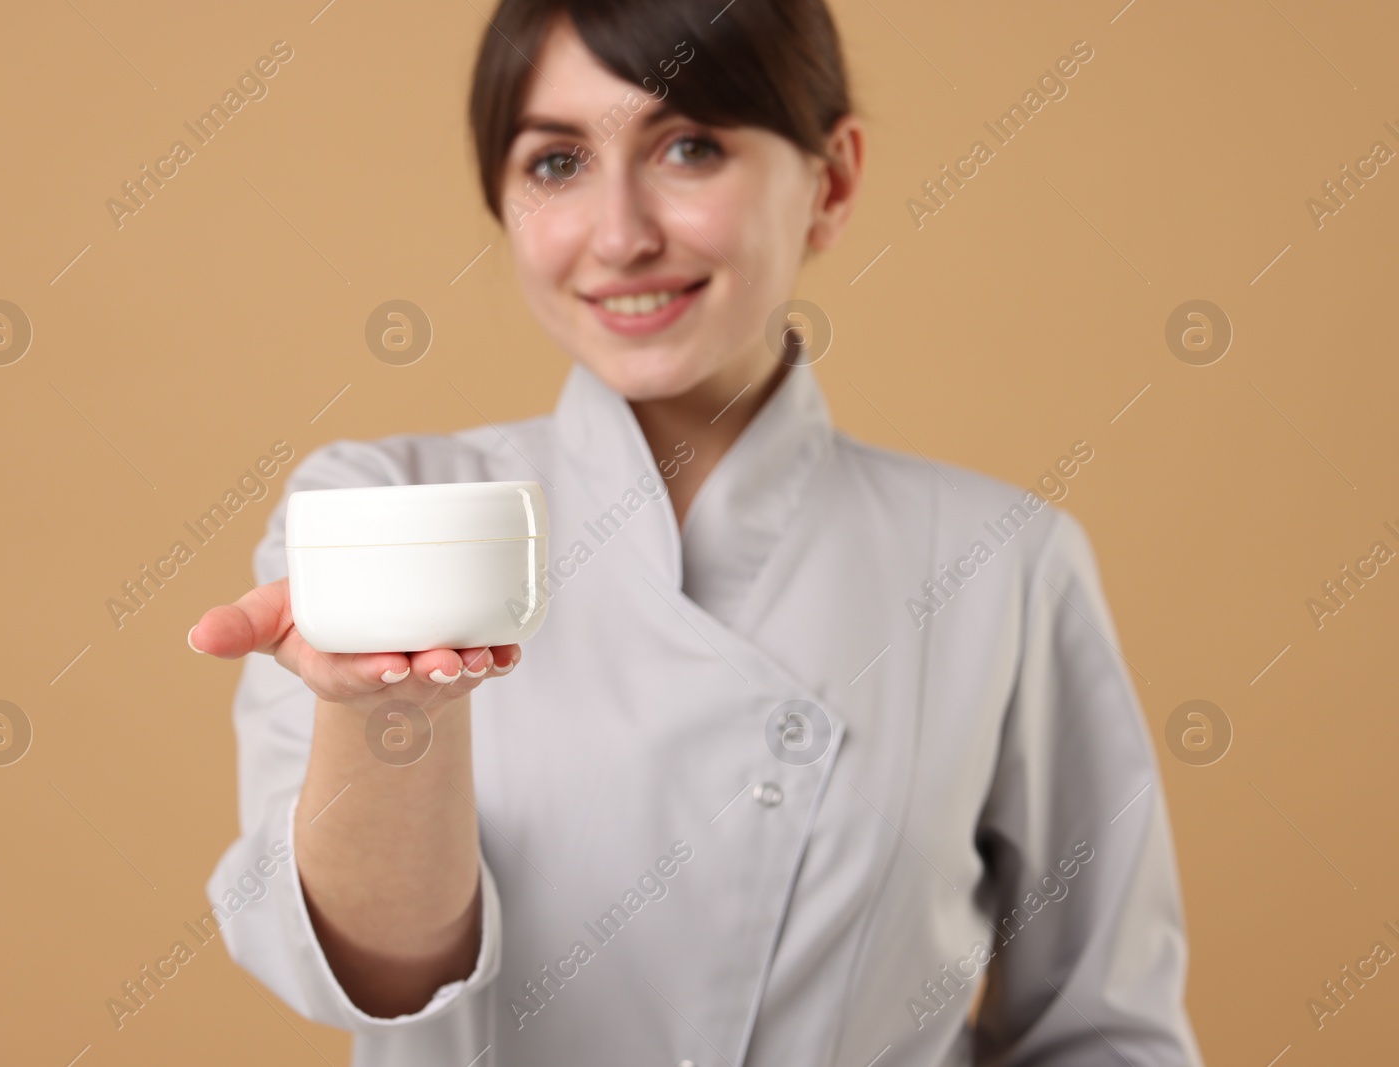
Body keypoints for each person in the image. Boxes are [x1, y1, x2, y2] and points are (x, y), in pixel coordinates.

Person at [188, 0, 1204, 1063]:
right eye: (555, 163)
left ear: (833, 179)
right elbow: (375, 973)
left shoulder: (1002, 562)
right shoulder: (382, 512)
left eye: (689, 147)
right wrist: (392, 715)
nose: (620, 234)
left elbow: (1104, 1033)